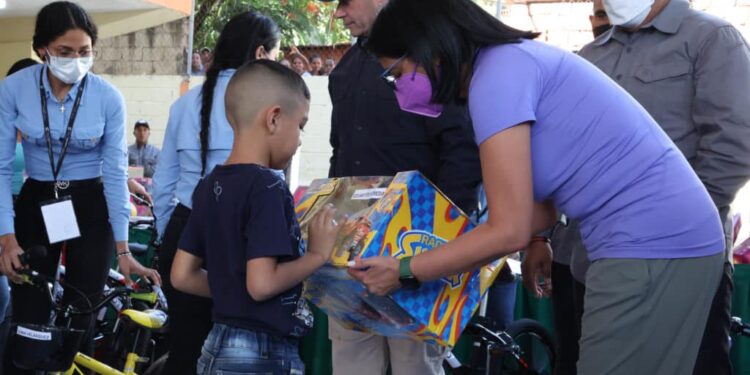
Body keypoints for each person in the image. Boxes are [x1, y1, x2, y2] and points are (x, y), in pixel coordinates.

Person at [354, 1, 726, 375]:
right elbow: (540, 212)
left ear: (428, 47)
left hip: (653, 243)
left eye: (397, 73)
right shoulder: (509, 64)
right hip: (657, 239)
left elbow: (508, 230)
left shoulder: (496, 77)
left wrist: (406, 268)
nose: (399, 88)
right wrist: (448, 252)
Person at [575, 1, 750, 374]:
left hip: (683, 256)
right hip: (598, 257)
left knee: (694, 364)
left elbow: (734, 147)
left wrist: (669, 227)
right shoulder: (591, 55)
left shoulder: (711, 39)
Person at [0, 2, 160, 373]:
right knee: (30, 313)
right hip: (38, 200)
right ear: (42, 50)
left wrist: (123, 251)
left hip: (90, 203)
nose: (76, 60)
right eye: (65, 52)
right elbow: (2, 165)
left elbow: (117, 174)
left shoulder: (108, 97)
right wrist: (7, 239)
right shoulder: (14, 89)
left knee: (81, 312)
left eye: (84, 52)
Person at [324, 0, 482, 373]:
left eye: (346, 2)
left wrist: (440, 246)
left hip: (416, 251)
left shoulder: (431, 58)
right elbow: (340, 152)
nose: (339, 13)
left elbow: (462, 154)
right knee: (352, 363)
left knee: (416, 366)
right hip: (355, 253)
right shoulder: (344, 70)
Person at [171, 59, 338, 375]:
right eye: (300, 125)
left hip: (215, 346)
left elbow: (182, 275)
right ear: (274, 118)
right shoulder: (268, 186)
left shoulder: (209, 185)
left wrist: (234, 291)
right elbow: (261, 285)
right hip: (260, 355)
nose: (300, 138)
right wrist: (317, 255)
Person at [152, 12, 282, 374]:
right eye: (275, 55)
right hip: (238, 240)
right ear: (260, 53)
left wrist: (170, 235)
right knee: (235, 354)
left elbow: (163, 183)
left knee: (184, 349)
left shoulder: (183, 104)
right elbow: (270, 184)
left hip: (184, 231)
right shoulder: (267, 108)